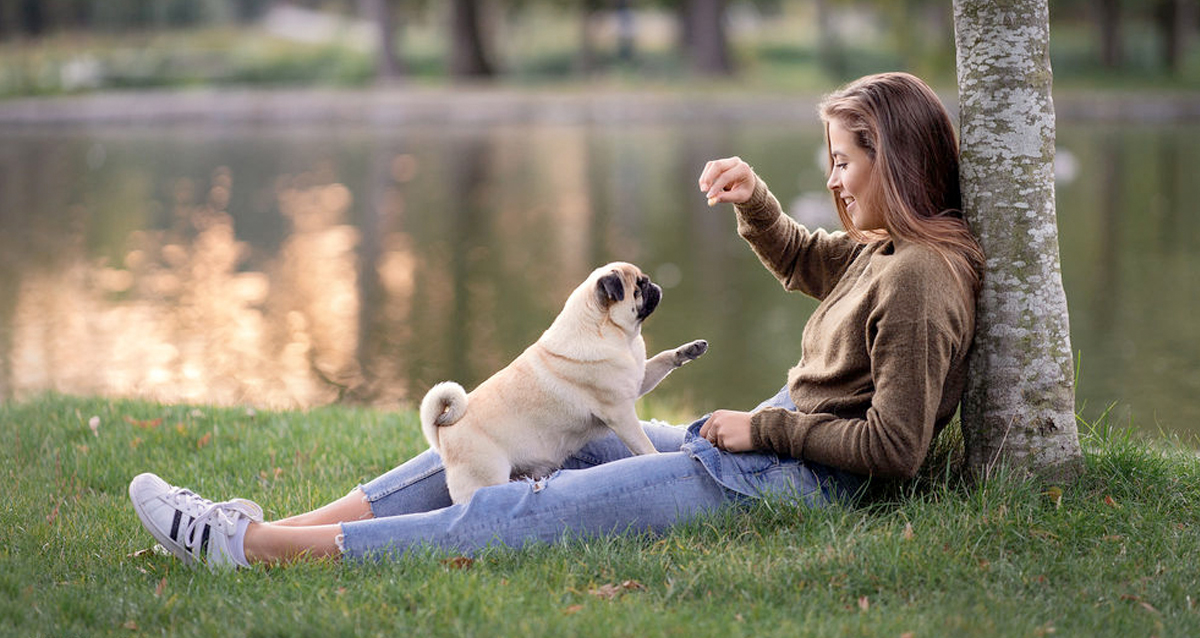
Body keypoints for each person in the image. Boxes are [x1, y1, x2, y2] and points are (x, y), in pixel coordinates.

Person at [128, 72, 985, 568]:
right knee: (483, 431)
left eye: (843, 164)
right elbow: (807, 260)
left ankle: (251, 549)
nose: (835, 183)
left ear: (897, 161)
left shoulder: (917, 278)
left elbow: (896, 451)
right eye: (828, 165)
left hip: (784, 475)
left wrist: (765, 431)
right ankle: (278, 521)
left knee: (534, 508)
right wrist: (757, 201)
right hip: (753, 454)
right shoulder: (881, 252)